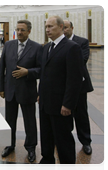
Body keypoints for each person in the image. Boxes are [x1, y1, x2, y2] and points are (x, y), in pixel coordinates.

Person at [32, 16, 83, 170]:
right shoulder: (46, 47)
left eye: (51, 26)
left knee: (63, 139)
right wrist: (40, 94)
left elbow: (74, 80)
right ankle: (47, 163)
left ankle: (68, 167)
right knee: (46, 136)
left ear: (61, 27)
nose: (47, 30)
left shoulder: (71, 47)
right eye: (46, 26)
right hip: (46, 102)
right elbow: (44, 74)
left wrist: (68, 104)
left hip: (61, 105)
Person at [0, 20, 43, 162]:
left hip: (27, 90)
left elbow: (42, 70)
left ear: (29, 31)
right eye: (18, 29)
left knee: (30, 121)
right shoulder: (9, 45)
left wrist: (27, 72)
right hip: (10, 89)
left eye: (22, 30)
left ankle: (30, 148)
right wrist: (1, 87)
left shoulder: (36, 47)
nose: (20, 32)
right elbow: (2, 67)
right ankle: (9, 144)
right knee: (9, 120)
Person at [64, 20, 94, 155]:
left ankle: (86, 142)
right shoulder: (58, 43)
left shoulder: (82, 42)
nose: (63, 30)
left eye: (66, 27)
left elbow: (82, 60)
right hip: (63, 85)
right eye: (61, 28)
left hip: (80, 85)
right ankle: (64, 140)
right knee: (64, 114)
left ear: (72, 27)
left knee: (81, 113)